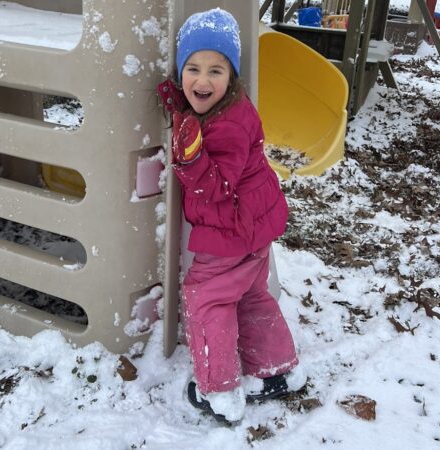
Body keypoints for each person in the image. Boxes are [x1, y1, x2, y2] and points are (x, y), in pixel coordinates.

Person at [157, 8, 298, 425]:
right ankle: (276, 368)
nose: (202, 81)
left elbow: (214, 188)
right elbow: (200, 107)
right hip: (255, 224)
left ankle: (218, 390)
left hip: (233, 227)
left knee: (208, 298)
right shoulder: (225, 108)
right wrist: (181, 106)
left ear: (231, 77)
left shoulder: (230, 127)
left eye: (215, 71)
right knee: (251, 294)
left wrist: (190, 156)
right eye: (193, 69)